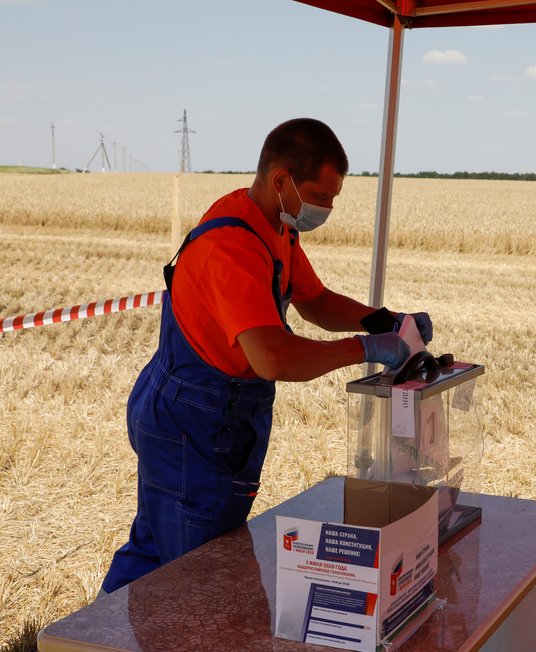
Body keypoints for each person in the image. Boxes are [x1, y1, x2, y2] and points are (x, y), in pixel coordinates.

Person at [101, 118, 430, 594]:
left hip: (215, 414)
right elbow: (273, 358)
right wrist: (365, 349)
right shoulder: (231, 245)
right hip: (193, 421)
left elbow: (313, 300)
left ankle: (88, 642)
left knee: (154, 552)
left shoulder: (276, 225)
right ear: (281, 181)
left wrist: (383, 319)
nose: (327, 208)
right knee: (198, 579)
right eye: (322, 196)